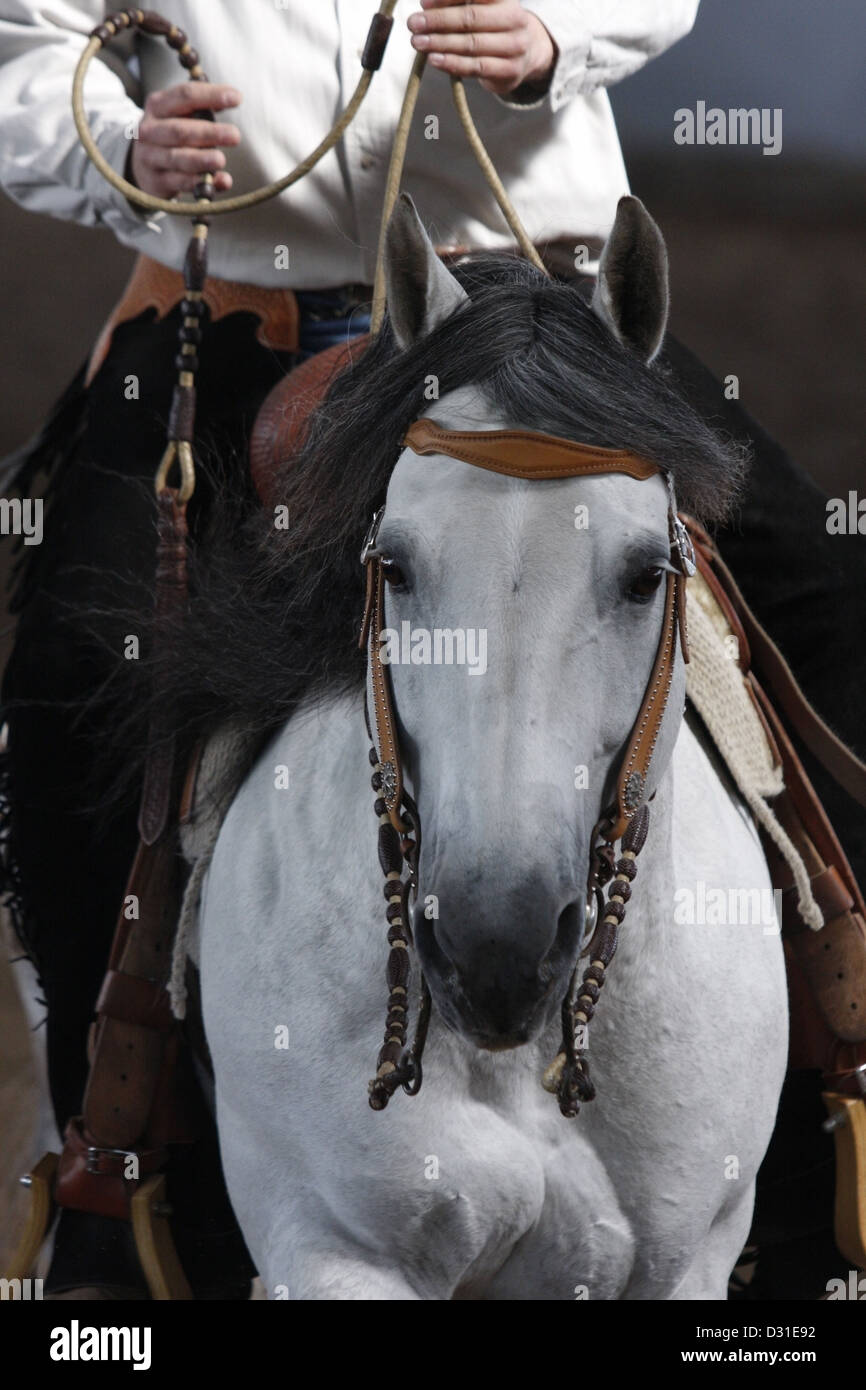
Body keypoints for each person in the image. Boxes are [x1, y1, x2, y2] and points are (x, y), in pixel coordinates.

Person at [0, 0, 862, 1301]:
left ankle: (822, 1156)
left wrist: (552, 38)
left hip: (552, 306)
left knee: (819, 592)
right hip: (239, 315)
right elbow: (32, 41)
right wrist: (121, 140)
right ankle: (103, 1168)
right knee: (82, 665)